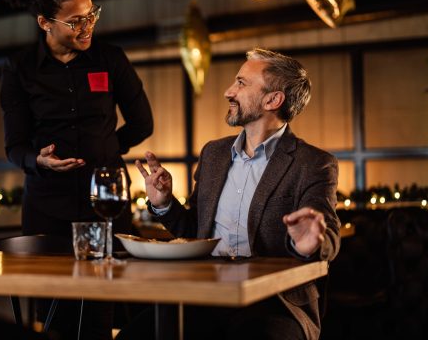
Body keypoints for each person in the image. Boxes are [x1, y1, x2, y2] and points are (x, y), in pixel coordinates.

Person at [0, 0, 153, 338]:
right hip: (47, 206)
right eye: (75, 21)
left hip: (106, 202)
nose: (88, 27)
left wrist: (106, 150)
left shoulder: (110, 59)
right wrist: (39, 162)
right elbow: (15, 146)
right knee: (53, 309)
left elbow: (142, 123)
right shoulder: (19, 69)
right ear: (45, 23)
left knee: (101, 306)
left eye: (91, 14)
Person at [129, 48, 340, 340]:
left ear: (273, 99)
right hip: (206, 294)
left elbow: (328, 236)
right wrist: (164, 203)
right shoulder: (214, 153)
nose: (229, 91)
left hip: (274, 302)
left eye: (241, 83)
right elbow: (195, 233)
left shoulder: (314, 163)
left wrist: (310, 244)